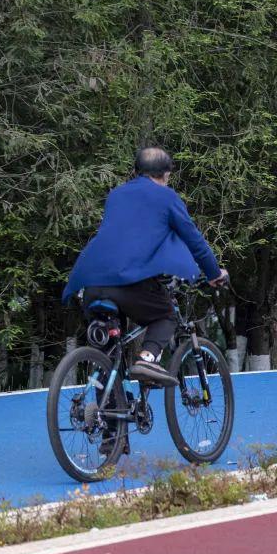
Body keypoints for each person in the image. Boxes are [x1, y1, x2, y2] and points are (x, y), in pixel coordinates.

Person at [63, 147, 228, 390]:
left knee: (107, 359)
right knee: (166, 314)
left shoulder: (116, 195)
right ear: (166, 175)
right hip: (127, 283)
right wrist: (214, 274)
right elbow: (195, 242)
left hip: (91, 283)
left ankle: (110, 422)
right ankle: (147, 359)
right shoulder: (167, 197)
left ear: (136, 170)